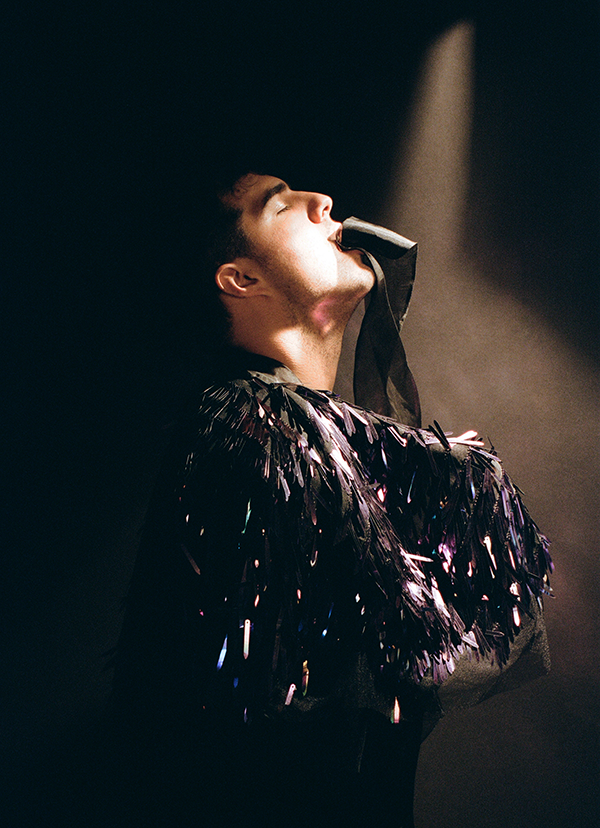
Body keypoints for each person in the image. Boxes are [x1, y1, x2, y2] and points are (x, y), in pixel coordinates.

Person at [111, 172, 552, 827]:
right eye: (282, 204)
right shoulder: (249, 427)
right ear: (241, 280)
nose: (325, 203)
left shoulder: (307, 434)